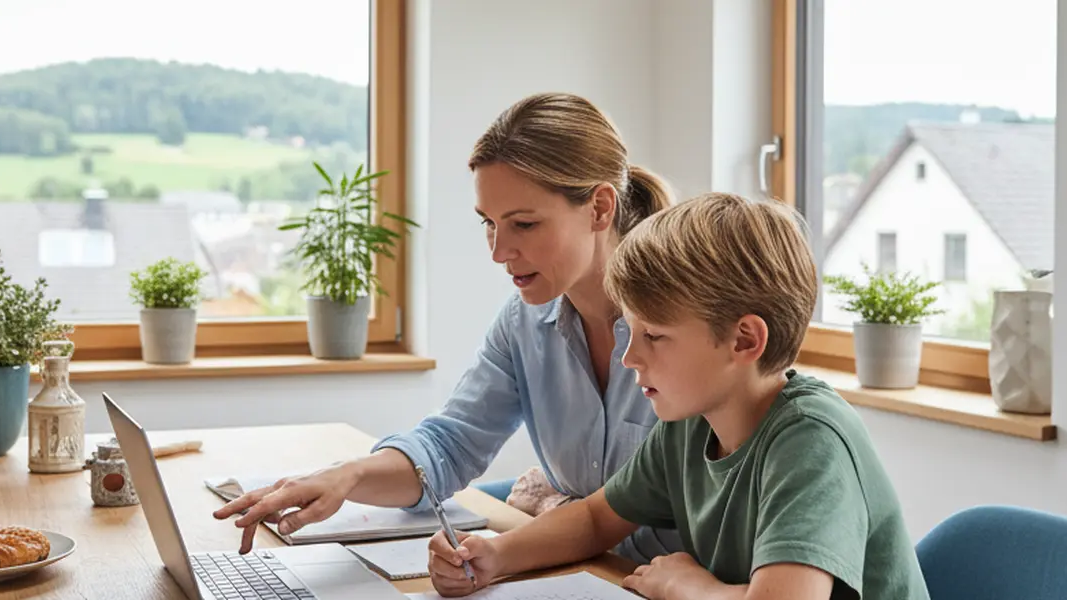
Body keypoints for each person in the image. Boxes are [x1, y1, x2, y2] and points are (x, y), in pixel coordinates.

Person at [212, 92, 682, 563]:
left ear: (600, 208)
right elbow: (450, 444)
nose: (498, 251)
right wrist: (346, 476)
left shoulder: (689, 327)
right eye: (489, 224)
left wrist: (536, 524)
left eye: (523, 224)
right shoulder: (522, 322)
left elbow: (689, 527)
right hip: (578, 569)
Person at [426, 193, 931, 600]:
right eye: (631, 331)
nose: (629, 358)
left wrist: (690, 587)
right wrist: (494, 555)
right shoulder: (691, 423)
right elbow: (596, 518)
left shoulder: (810, 442)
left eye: (655, 337)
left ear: (744, 341)